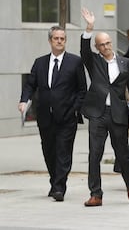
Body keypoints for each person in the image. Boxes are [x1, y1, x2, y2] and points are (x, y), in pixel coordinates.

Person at [80, 8, 129, 207]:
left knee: (122, 154)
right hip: (97, 114)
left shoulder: (126, 63)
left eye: (108, 43)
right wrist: (89, 28)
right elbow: (83, 50)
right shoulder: (94, 62)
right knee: (94, 154)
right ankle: (95, 194)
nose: (106, 47)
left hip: (118, 114)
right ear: (97, 47)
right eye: (102, 45)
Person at [18, 26, 87, 202]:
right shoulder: (40, 62)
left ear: (65, 41)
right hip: (45, 116)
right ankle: (54, 181)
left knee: (63, 152)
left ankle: (59, 188)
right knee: (49, 151)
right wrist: (24, 100)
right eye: (56, 38)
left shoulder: (75, 62)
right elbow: (30, 85)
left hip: (67, 116)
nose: (59, 41)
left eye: (62, 38)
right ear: (50, 41)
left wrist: (75, 108)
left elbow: (82, 89)